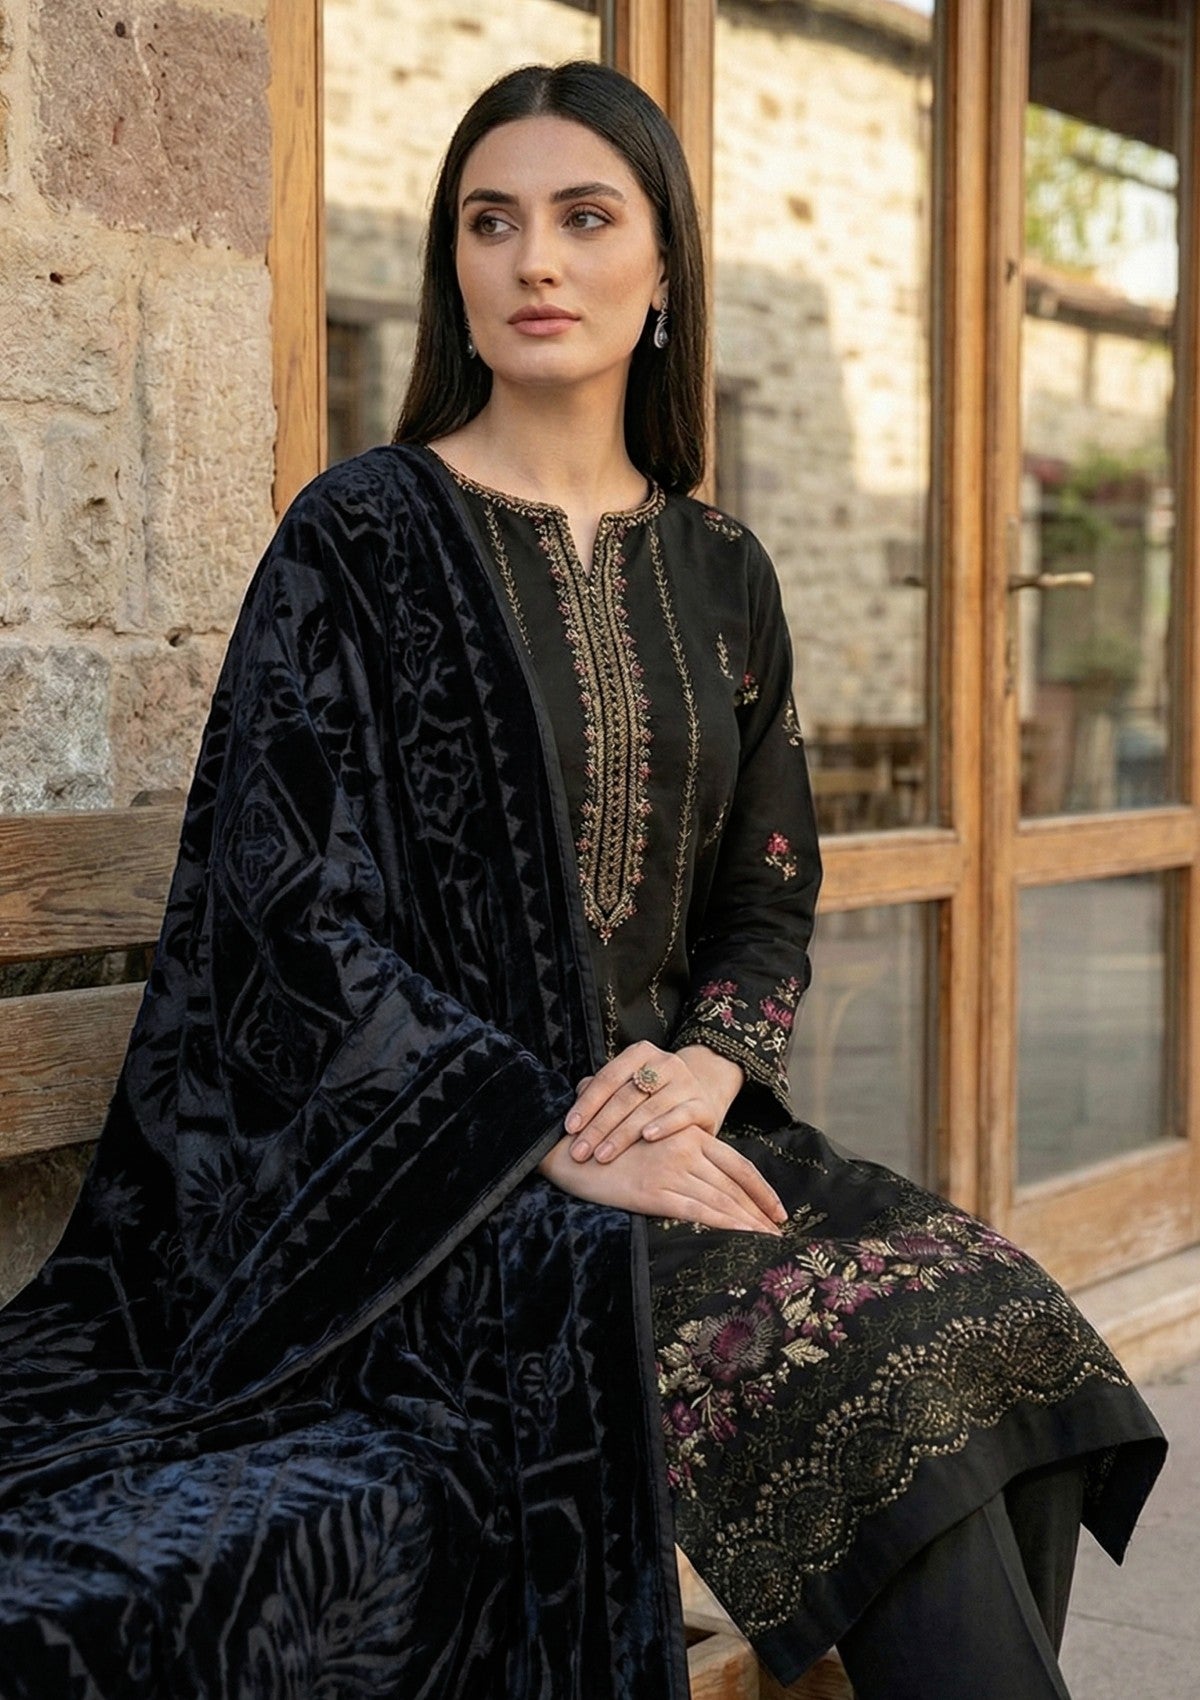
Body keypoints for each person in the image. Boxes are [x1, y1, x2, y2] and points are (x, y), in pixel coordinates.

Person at [0, 60, 1164, 1700]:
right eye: (492, 223)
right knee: (867, 1369)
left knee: (990, 1322)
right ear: (455, 271)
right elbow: (289, 919)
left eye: (584, 217)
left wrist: (707, 1070)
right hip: (430, 1188)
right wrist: (543, 1130)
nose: (535, 259)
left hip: (674, 1127)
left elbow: (768, 889)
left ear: (663, 266)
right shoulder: (361, 539)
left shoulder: (723, 572)